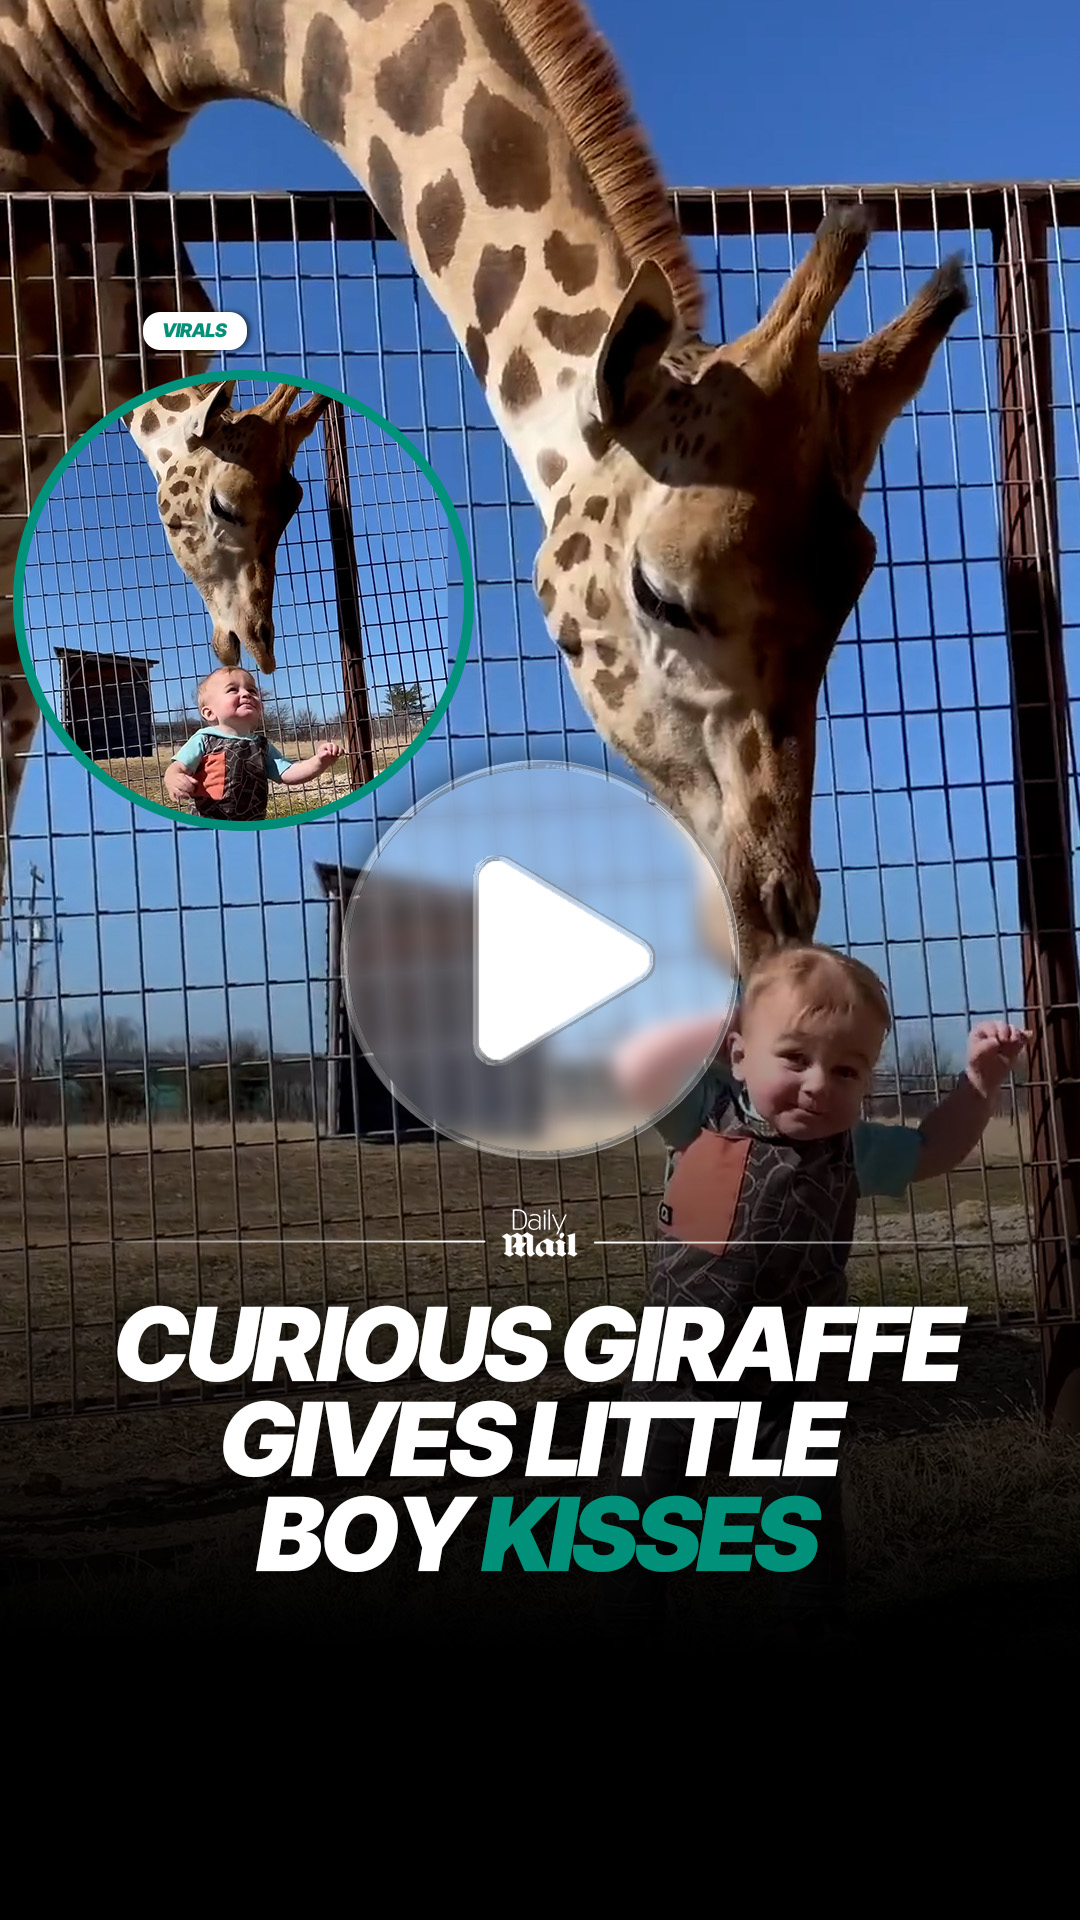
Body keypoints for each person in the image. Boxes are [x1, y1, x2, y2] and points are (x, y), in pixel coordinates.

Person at [606, 941, 1029, 1638]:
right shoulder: (701, 1113)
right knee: (647, 1495)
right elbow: (637, 1065)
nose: (818, 1085)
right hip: (678, 1358)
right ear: (739, 1055)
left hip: (791, 1367)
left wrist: (979, 1083)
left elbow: (936, 1148)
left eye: (846, 1070)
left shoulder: (853, 1148)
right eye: (794, 1058)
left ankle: (810, 1614)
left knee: (803, 1503)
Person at [162, 668, 343, 821]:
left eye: (252, 691)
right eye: (233, 690)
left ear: (260, 707)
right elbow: (177, 767)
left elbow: (288, 773)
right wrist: (173, 779)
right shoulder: (203, 739)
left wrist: (320, 761)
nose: (246, 693)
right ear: (209, 713)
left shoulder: (262, 746)